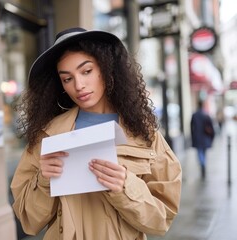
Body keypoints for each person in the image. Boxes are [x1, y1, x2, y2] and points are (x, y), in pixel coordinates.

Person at [10, 27, 182, 239]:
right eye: (67, 79)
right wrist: (44, 181)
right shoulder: (48, 136)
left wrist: (125, 186)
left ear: (106, 68)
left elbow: (162, 218)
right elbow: (28, 220)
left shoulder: (144, 133)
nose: (79, 86)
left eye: (86, 71)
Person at [191, 100, 215, 179]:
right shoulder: (206, 115)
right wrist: (211, 138)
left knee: (200, 153)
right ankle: (203, 164)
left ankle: (202, 164)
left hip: (197, 138)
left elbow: (191, 127)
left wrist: (193, 137)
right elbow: (211, 128)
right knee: (203, 153)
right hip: (205, 138)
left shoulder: (195, 115)